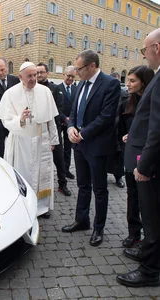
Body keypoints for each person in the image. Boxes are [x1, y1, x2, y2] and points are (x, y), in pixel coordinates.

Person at [61, 50, 120, 247]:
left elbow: (106, 117)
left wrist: (83, 133)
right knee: (83, 185)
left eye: (79, 69)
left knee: (100, 189)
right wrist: (70, 128)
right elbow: (73, 111)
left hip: (97, 146)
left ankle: (98, 228)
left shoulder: (109, 84)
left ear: (92, 65)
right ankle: (82, 220)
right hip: (79, 145)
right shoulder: (81, 84)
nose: (76, 73)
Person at [117, 28, 160, 288]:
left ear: (157, 47)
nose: (144, 55)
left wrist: (143, 166)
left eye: (145, 49)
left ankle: (149, 270)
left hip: (151, 164)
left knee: (152, 219)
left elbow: (157, 128)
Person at [0, 61, 59, 217]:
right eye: (29, 76)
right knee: (23, 175)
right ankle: (24, 206)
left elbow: (51, 119)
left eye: (35, 75)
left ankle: (42, 207)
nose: (33, 78)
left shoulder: (45, 91)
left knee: (42, 174)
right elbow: (5, 121)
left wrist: (53, 140)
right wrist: (20, 119)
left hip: (41, 140)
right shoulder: (10, 93)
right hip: (20, 142)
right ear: (20, 77)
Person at [118, 66, 155, 248]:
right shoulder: (128, 101)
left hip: (146, 158)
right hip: (131, 155)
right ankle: (134, 233)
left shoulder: (152, 102)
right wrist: (127, 136)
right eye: (128, 80)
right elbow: (126, 127)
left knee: (146, 201)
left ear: (144, 82)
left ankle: (149, 240)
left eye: (132, 81)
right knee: (132, 196)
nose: (128, 84)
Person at [36, 62, 71, 199]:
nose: (39, 75)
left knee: (59, 159)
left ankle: (62, 184)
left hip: (53, 129)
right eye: (37, 72)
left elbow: (58, 109)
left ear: (47, 73)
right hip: (38, 131)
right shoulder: (33, 88)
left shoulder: (55, 89)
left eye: (41, 72)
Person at [107, 71, 130, 188]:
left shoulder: (125, 95)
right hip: (107, 129)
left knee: (119, 155)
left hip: (119, 129)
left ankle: (119, 176)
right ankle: (103, 174)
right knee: (105, 154)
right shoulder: (106, 93)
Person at [56, 66, 77, 180]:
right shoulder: (57, 88)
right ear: (63, 75)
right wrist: (64, 118)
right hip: (60, 122)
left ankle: (66, 169)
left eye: (72, 76)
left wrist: (71, 120)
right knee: (59, 148)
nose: (70, 78)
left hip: (70, 124)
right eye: (68, 75)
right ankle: (61, 171)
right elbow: (56, 107)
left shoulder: (75, 89)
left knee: (68, 149)